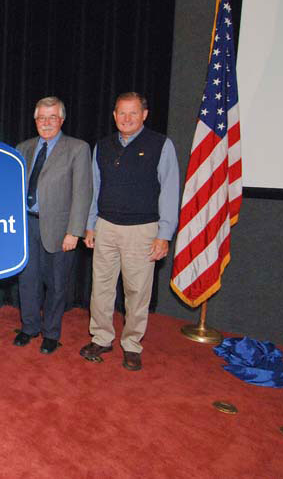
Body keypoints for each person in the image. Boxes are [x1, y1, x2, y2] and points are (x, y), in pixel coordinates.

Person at [81, 92, 180, 371]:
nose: (126, 118)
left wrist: (164, 234)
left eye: (133, 113)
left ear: (144, 115)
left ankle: (132, 344)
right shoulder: (102, 146)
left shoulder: (161, 145)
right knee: (100, 288)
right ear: (114, 115)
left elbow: (170, 192)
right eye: (121, 113)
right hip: (106, 227)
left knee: (137, 292)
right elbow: (94, 189)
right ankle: (101, 337)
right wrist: (90, 224)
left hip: (143, 230)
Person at [14, 96, 93, 354]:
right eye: (41, 118)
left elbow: (82, 192)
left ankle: (51, 333)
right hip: (26, 225)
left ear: (61, 120)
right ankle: (29, 327)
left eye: (52, 117)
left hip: (60, 229)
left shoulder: (77, 148)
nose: (46, 123)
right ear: (35, 120)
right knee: (27, 281)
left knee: (57, 284)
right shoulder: (23, 147)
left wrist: (74, 231)